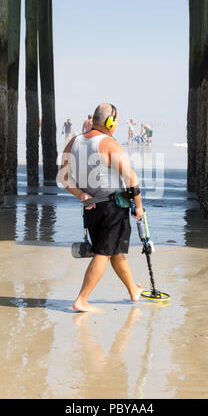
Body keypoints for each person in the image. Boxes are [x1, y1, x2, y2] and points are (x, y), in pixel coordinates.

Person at [59, 103, 144, 312]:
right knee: (103, 253)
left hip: (91, 208)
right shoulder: (109, 144)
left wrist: (81, 194)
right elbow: (131, 178)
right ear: (110, 122)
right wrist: (139, 206)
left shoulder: (73, 142)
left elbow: (64, 177)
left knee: (114, 251)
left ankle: (133, 290)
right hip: (112, 207)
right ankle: (82, 299)